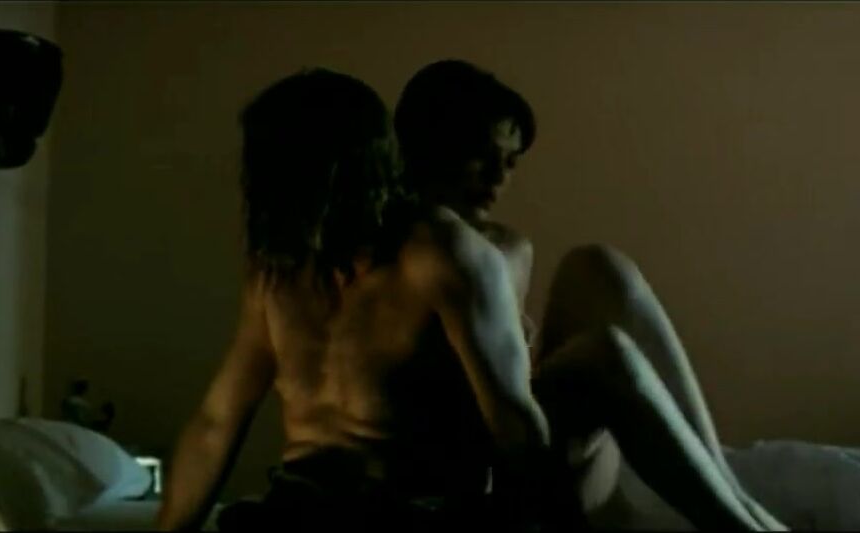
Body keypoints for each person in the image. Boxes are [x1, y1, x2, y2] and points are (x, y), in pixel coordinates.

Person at [156, 68, 560, 532]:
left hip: (410, 510)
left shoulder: (441, 253)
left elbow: (513, 421)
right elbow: (216, 421)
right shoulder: (279, 271)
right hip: (298, 505)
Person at [394, 59, 786, 531]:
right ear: (434, 148)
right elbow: (502, 425)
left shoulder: (501, 248)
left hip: (535, 451)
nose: (498, 178)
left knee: (597, 267)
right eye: (482, 156)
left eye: (510, 163)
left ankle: (734, 490)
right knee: (605, 355)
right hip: (492, 478)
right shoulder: (402, 251)